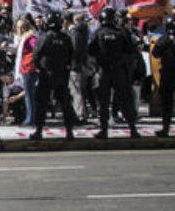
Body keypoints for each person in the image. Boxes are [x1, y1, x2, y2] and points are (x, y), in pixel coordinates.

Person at [89, 7, 140, 138]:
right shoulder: (122, 33)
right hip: (119, 71)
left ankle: (104, 130)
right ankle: (133, 129)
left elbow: (90, 51)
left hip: (104, 71)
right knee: (125, 100)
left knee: (103, 103)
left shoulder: (98, 33)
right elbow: (130, 49)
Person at [31, 11, 79, 139]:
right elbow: (71, 56)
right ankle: (69, 131)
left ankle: (38, 131)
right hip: (62, 75)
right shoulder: (66, 38)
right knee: (65, 104)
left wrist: (40, 68)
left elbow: (36, 55)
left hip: (47, 75)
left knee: (41, 103)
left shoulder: (44, 37)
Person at [150, 15, 175, 136]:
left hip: (168, 74)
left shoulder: (164, 39)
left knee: (167, 103)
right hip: (168, 73)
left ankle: (165, 128)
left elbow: (155, 53)